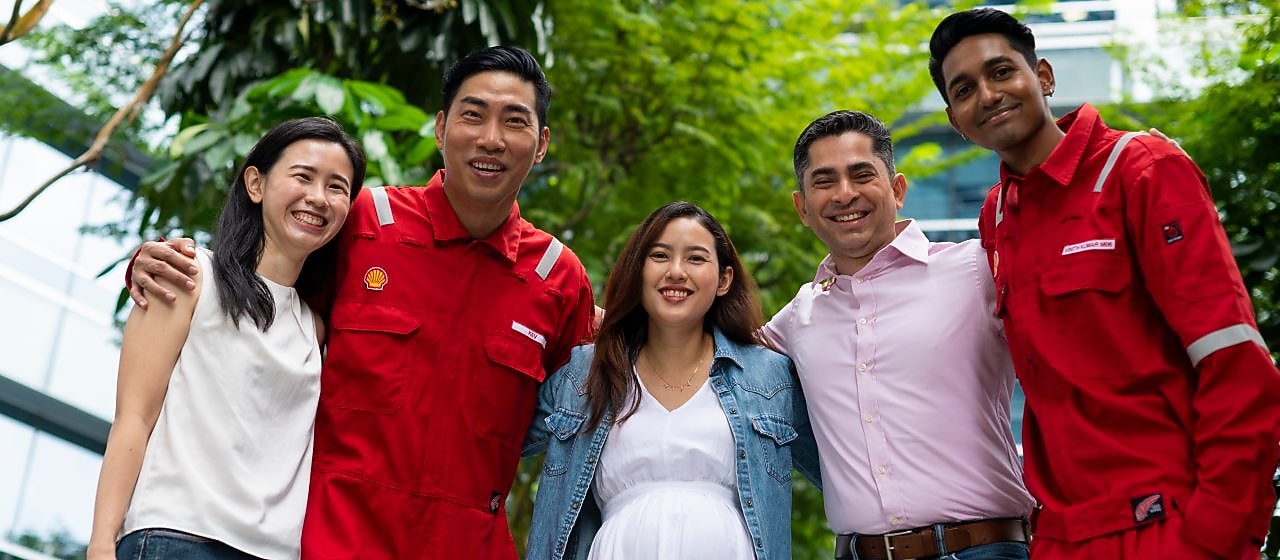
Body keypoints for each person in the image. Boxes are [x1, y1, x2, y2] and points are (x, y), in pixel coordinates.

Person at [126, 46, 597, 559]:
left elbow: (587, 413)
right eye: (473, 115)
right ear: (441, 129)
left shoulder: (559, 278)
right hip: (328, 543)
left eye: (514, 121)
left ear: (541, 143)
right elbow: (258, 287)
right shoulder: (365, 221)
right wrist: (158, 265)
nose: (491, 138)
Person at [929, 8, 1280, 558]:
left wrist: (1217, 532)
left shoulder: (1142, 169)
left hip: (1169, 526)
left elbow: (1234, 360)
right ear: (956, 120)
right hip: (1061, 538)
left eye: (1001, 72)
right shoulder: (997, 214)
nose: (989, 95)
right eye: (965, 89)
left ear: (1043, 76)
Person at [87, 117, 366, 560]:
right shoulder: (188, 275)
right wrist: (102, 543)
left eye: (337, 187)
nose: (318, 197)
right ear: (256, 184)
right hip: (176, 536)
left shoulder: (314, 327)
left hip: (273, 553)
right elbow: (134, 417)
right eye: (303, 176)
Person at [762, 110, 1034, 560]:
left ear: (898, 189)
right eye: (824, 181)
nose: (844, 194)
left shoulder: (976, 269)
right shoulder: (799, 315)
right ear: (802, 208)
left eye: (861, 175)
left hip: (983, 549)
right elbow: (705, 358)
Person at [522, 201, 819, 560]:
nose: (676, 271)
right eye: (660, 256)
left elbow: (847, 471)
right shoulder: (585, 372)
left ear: (724, 279)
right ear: (639, 271)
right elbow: (491, 443)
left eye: (695, 258)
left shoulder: (769, 375)